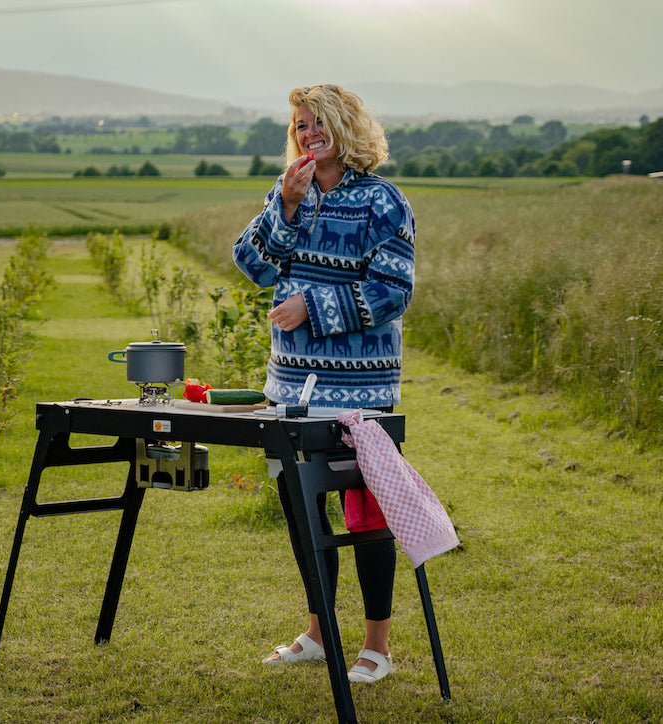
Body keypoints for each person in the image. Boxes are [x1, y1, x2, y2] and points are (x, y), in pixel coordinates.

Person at [232, 83, 416, 684]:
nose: (308, 134)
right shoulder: (290, 192)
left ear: (346, 127)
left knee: (364, 516)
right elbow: (252, 264)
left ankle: (377, 649)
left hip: (360, 393)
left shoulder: (382, 203)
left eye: (318, 123)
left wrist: (313, 305)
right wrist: (281, 209)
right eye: (300, 125)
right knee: (303, 513)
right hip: (291, 388)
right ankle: (318, 633)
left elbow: (393, 291)